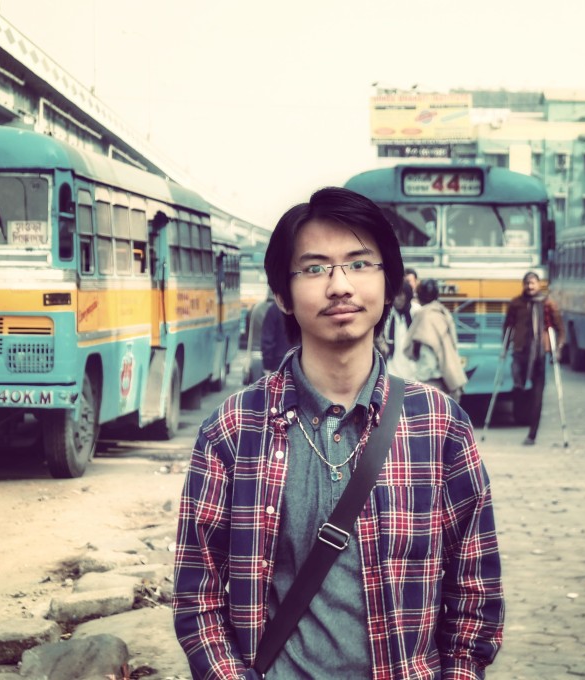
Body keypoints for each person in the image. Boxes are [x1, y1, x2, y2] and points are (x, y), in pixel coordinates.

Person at [173, 187, 504, 679]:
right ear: (282, 295)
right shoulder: (233, 429)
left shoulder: (439, 425)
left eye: (360, 263)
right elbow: (197, 597)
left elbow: (474, 595)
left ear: (389, 282)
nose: (339, 285)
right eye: (314, 268)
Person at [503, 271, 558, 446]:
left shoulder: (547, 304)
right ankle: (519, 413)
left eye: (533, 283)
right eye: (527, 283)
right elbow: (507, 326)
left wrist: (558, 349)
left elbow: (559, 327)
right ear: (523, 285)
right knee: (518, 386)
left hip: (540, 354)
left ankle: (532, 433)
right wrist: (504, 346)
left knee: (537, 394)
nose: (530, 286)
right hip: (520, 352)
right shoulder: (516, 303)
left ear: (539, 284)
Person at [407, 278, 468, 401]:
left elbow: (425, 354)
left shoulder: (424, 316)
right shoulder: (444, 313)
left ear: (419, 295)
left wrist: (420, 377)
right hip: (447, 376)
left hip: (431, 379)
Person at [378, 280, 416, 380]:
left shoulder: (416, 312)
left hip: (414, 367)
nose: (397, 299)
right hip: (393, 364)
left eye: (400, 295)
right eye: (395, 296)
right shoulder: (386, 313)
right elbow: (378, 333)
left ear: (407, 296)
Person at [260, 297, 292, 374]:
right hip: (298, 363)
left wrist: (267, 365)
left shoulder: (273, 310)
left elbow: (267, 340)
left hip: (278, 363)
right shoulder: (300, 309)